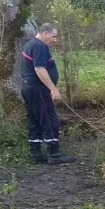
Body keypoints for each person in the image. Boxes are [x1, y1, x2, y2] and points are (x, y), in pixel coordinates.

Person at [19, 23, 76, 164]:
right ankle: (54, 154)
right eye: (53, 36)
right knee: (49, 119)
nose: (55, 40)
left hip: (28, 88)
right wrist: (53, 89)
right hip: (38, 88)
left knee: (34, 119)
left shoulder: (30, 44)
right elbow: (39, 69)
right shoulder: (39, 46)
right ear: (44, 33)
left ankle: (36, 153)